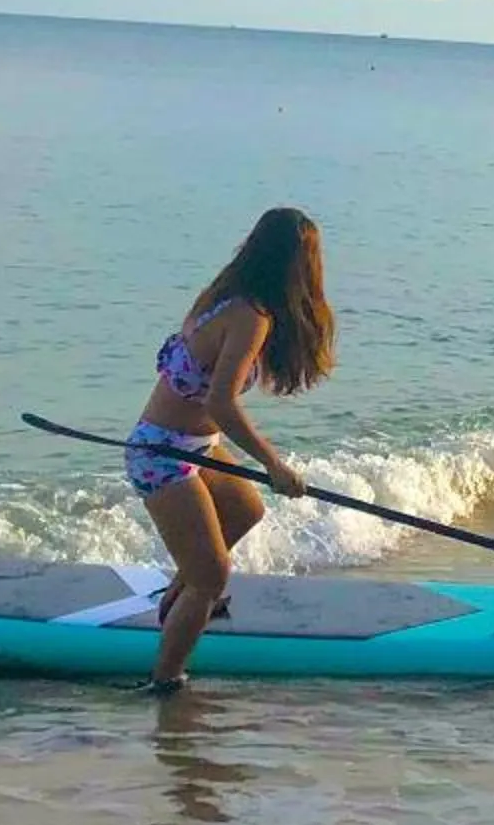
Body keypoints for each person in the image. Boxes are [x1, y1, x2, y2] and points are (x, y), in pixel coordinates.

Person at [123, 205, 336, 691]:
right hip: (161, 453)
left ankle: (181, 599)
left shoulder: (224, 295)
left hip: (194, 445)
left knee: (245, 510)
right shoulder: (250, 317)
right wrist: (274, 464)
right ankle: (164, 683)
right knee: (212, 577)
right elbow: (220, 402)